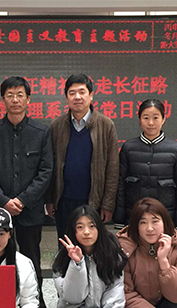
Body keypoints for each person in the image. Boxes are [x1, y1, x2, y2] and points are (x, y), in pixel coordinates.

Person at [0, 76, 53, 308]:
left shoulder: (41, 132)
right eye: (10, 95)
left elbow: (46, 171)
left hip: (29, 210)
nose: (15, 99)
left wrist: (22, 200)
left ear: (28, 99)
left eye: (20, 94)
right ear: (3, 99)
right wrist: (4, 201)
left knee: (32, 260)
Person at [45, 73, 120, 245]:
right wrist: (49, 200)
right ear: (66, 98)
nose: (77, 97)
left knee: (92, 246)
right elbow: (50, 165)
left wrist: (108, 204)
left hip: (93, 201)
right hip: (64, 200)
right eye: (72, 93)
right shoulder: (57, 125)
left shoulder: (106, 125)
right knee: (65, 246)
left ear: (91, 95)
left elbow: (113, 168)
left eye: (82, 92)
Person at [115, 99, 177, 232]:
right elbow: (120, 184)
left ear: (163, 119)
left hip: (165, 215)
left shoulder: (176, 148)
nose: (150, 123)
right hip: (135, 215)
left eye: (155, 118)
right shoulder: (128, 147)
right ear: (139, 120)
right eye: (146, 118)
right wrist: (119, 220)